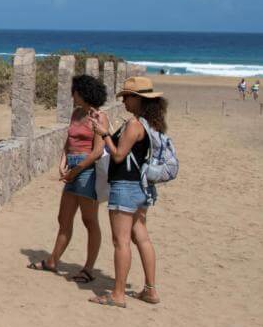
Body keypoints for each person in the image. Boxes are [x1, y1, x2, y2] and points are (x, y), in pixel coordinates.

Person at [88, 76, 166, 307]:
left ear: (138, 99)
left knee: (120, 241)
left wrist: (102, 133)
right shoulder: (150, 124)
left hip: (125, 186)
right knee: (140, 236)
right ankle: (150, 290)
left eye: (127, 98)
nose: (124, 102)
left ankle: (118, 294)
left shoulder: (134, 125)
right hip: (141, 186)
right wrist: (105, 129)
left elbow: (118, 154)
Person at [29, 74, 107, 283]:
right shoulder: (76, 114)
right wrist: (63, 162)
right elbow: (69, 141)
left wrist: (77, 169)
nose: (72, 95)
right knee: (64, 218)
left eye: (74, 91)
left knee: (89, 221)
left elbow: (98, 151)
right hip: (72, 168)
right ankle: (53, 261)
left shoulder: (98, 117)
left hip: (87, 170)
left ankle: (88, 268)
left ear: (82, 92)